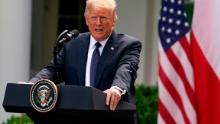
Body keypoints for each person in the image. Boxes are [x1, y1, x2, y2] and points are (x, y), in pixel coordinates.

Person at [30, 0, 141, 113]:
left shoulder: (128, 45)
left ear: (114, 20)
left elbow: (126, 70)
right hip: (77, 116)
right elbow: (52, 70)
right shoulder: (72, 44)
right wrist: (31, 84)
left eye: (103, 17)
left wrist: (116, 89)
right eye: (93, 17)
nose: (98, 23)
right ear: (87, 20)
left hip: (112, 116)